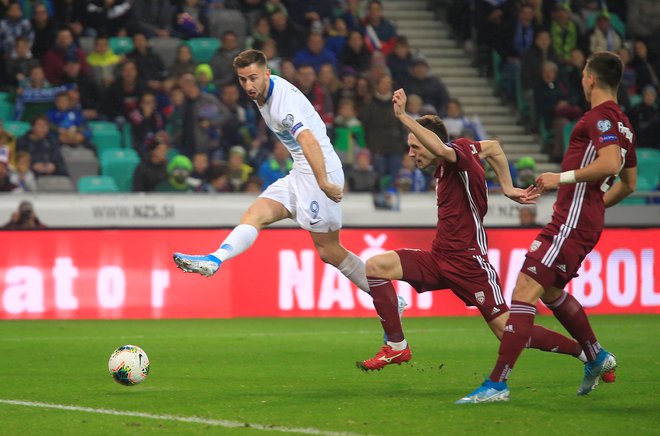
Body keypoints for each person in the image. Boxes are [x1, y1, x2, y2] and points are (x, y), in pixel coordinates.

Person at [358, 89, 590, 377]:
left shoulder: (458, 155)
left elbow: (449, 149)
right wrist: (506, 187)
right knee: (376, 266)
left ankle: (585, 353)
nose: (411, 153)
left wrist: (403, 116)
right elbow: (493, 147)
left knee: (508, 332)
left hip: (469, 264)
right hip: (439, 258)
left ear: (433, 143)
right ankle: (396, 345)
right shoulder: (449, 163)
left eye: (416, 146)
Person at [458, 51, 637, 404]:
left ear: (591, 78)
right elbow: (628, 183)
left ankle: (497, 384)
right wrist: (596, 206)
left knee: (524, 291)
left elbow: (610, 162)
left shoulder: (600, 118)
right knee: (551, 292)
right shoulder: (624, 124)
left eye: (584, 73)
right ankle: (596, 355)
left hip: (571, 221)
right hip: (582, 219)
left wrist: (561, 179)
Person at [173, 49, 373, 301]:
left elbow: (308, 140)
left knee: (329, 250)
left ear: (267, 73)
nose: (248, 85)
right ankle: (215, 259)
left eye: (253, 78)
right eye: (243, 79)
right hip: (300, 170)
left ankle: (385, 295)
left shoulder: (281, 105)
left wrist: (323, 183)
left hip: (319, 170)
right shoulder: (263, 93)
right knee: (255, 214)